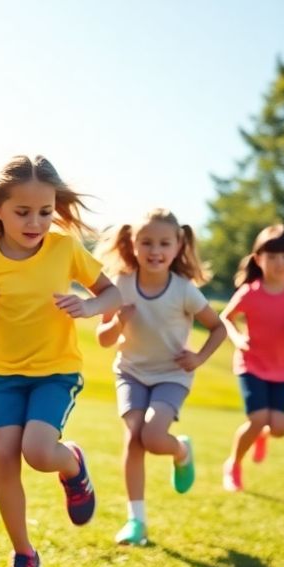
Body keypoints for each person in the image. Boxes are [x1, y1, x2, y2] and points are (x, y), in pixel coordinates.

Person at [0, 154, 120, 567]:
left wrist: (90, 307)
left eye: (45, 211)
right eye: (23, 212)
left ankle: (72, 464)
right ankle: (24, 556)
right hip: (2, 377)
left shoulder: (64, 249)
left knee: (38, 452)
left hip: (54, 372)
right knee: (5, 455)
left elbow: (112, 292)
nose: (36, 221)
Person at [95, 209, 224, 545]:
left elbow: (218, 327)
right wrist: (117, 322)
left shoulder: (184, 291)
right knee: (134, 436)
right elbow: (103, 339)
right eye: (147, 243)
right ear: (132, 245)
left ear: (178, 245)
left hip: (171, 375)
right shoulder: (121, 285)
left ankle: (181, 450)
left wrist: (198, 357)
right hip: (131, 372)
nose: (155, 251)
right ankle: (136, 521)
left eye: (164, 243)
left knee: (153, 437)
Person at [218, 224, 284, 492]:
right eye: (272, 256)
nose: (279, 263)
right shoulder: (251, 292)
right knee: (258, 418)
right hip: (251, 365)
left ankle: (261, 436)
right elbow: (225, 318)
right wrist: (238, 339)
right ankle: (234, 464)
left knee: (280, 428)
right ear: (258, 259)